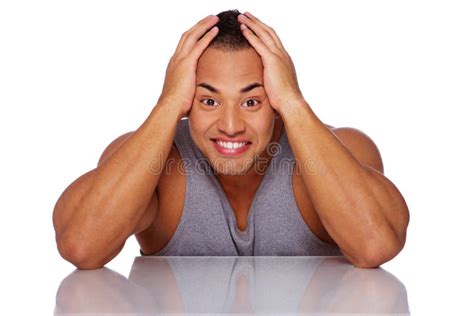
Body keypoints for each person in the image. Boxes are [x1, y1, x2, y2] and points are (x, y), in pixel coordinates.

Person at [53, 10, 409, 270]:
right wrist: (167, 105)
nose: (230, 125)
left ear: (275, 98)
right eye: (209, 100)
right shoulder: (151, 164)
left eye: (251, 101)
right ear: (188, 97)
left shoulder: (345, 149)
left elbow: (375, 245)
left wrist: (294, 103)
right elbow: (81, 247)